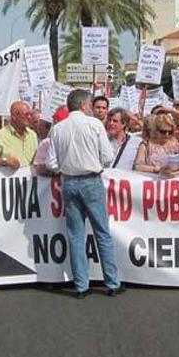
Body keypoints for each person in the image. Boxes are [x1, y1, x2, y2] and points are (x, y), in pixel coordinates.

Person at [46, 90, 121, 298]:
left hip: (69, 182)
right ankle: (112, 283)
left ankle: (81, 285)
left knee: (75, 236)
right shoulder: (95, 125)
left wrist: (67, 166)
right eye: (90, 105)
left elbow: (51, 163)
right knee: (102, 232)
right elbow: (107, 157)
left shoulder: (58, 129)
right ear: (84, 105)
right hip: (90, 180)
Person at [0, 101, 38, 168]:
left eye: (30, 115)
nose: (29, 117)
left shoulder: (33, 135)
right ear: (14, 116)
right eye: (26, 114)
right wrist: (4, 160)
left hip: (30, 178)